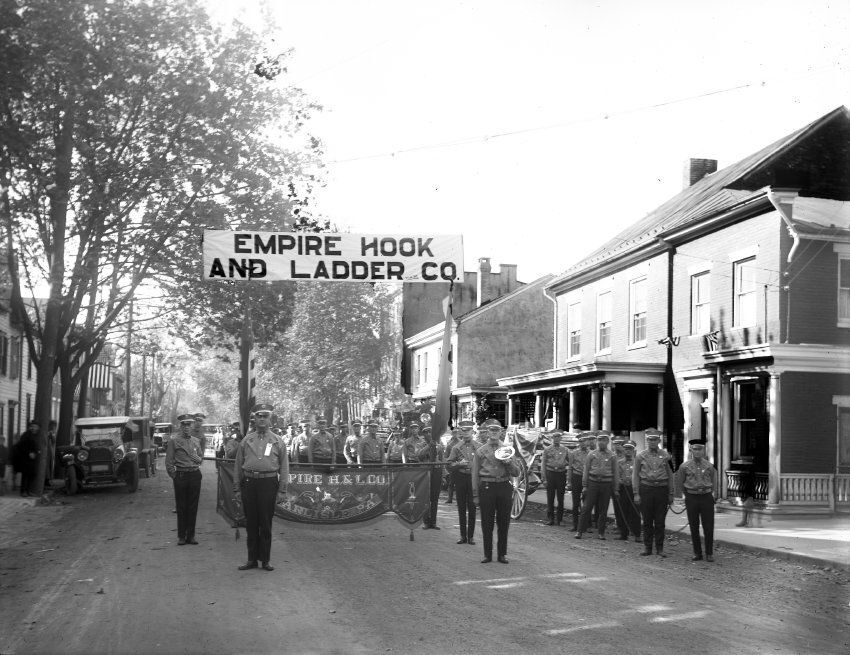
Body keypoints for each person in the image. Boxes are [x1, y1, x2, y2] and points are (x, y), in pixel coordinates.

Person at [233, 403, 289, 572]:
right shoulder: (246, 440)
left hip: (268, 484)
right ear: (254, 419)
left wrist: (282, 490)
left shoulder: (278, 441)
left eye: (265, 416)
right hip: (249, 484)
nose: (262, 419)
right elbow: (237, 465)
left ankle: (265, 560)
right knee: (251, 523)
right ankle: (251, 560)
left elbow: (284, 467)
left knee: (265, 523)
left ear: (270, 419)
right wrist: (237, 488)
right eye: (259, 416)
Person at [472, 419, 520, 564]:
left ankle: (502, 554)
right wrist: (475, 495)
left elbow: (517, 472)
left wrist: (509, 462)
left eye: (496, 430)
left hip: (504, 486)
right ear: (487, 433)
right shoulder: (480, 451)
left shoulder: (507, 450)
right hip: (487, 487)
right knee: (487, 522)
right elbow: (474, 474)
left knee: (504, 522)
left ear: (501, 432)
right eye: (491, 431)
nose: (494, 433)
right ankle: (487, 554)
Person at [675, 439, 719, 562]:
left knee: (708, 526)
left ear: (704, 450)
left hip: (706, 497)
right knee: (694, 526)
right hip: (692, 497)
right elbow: (681, 483)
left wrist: (710, 494)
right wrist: (688, 495)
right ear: (691, 450)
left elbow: (713, 483)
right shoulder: (684, 466)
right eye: (695, 449)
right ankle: (697, 553)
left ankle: (709, 553)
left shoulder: (709, 466)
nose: (697, 452)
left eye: (700, 449)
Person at [633, 429, 674, 557]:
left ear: (659, 441)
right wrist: (636, 493)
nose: (652, 442)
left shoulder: (667, 456)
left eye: (654, 439)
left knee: (660, 521)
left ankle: (660, 548)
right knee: (647, 520)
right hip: (646, 489)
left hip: (661, 490)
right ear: (647, 440)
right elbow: (635, 476)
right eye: (650, 439)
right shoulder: (640, 456)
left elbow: (670, 475)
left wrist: (671, 493)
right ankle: (647, 547)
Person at [165, 415, 204, 545]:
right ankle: (182, 536)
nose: (187, 427)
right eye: (184, 425)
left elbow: (200, 458)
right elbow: (169, 462)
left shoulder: (196, 441)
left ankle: (191, 536)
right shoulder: (174, 441)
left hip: (194, 475)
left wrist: (198, 459)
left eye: (189, 425)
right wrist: (175, 476)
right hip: (181, 475)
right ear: (181, 426)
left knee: (193, 506)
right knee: (181, 507)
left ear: (192, 426)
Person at [576, 431, 619, 540]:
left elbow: (615, 473)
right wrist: (584, 486)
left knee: (603, 510)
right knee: (586, 508)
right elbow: (586, 470)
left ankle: (601, 532)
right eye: (599, 440)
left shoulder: (612, 456)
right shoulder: (592, 454)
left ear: (607, 441)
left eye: (603, 440)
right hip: (593, 483)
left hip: (606, 484)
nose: (601, 442)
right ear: (597, 441)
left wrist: (616, 488)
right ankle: (580, 531)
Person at [446, 420, 477, 545]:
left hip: (473, 479)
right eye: (463, 431)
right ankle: (463, 536)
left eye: (468, 430)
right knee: (461, 507)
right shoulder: (456, 447)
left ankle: (471, 536)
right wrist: (458, 464)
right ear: (461, 432)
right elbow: (449, 464)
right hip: (461, 478)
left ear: (472, 431)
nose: (466, 433)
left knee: (472, 507)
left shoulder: (479, 446)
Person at [614, 442, 641, 541]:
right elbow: (616, 476)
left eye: (630, 449)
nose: (628, 451)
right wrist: (617, 488)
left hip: (634, 489)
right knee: (622, 511)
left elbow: (640, 475)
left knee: (635, 511)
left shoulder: (638, 462)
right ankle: (623, 534)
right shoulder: (619, 462)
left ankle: (637, 534)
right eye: (626, 449)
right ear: (623, 451)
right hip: (623, 489)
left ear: (633, 451)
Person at [567, 432, 595, 532]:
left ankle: (586, 525)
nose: (582, 443)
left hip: (588, 479)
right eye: (580, 441)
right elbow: (570, 468)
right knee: (575, 503)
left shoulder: (592, 453)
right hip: (576, 477)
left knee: (587, 503)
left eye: (584, 441)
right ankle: (575, 525)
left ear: (587, 442)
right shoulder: (573, 453)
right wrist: (569, 482)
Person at [541, 430, 568, 526]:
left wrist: (568, 476)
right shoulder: (547, 449)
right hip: (550, 474)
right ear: (552, 438)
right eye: (554, 437)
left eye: (558, 437)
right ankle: (551, 519)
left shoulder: (565, 449)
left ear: (561, 438)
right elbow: (543, 464)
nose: (556, 439)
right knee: (550, 497)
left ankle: (559, 519)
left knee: (561, 498)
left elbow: (570, 462)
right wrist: (544, 478)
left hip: (561, 474)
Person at [418, 426, 444, 530]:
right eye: (426, 432)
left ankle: (433, 522)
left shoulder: (439, 444)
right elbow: (419, 455)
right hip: (426, 472)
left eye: (430, 432)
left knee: (435, 498)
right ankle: (426, 522)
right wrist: (429, 446)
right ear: (424, 434)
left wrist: (444, 475)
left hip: (437, 471)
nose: (429, 434)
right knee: (425, 498)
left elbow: (442, 459)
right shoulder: (420, 444)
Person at [15, 420, 41, 497]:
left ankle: (28, 490)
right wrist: (28, 453)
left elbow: (36, 446)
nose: (35, 428)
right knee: (25, 475)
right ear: (31, 427)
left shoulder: (36, 435)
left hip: (33, 459)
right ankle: (23, 491)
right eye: (33, 426)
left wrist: (36, 452)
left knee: (32, 475)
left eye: (36, 427)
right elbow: (20, 446)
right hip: (25, 459)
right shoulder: (26, 435)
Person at [442, 428, 460, 504]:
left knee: (459, 484)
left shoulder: (462, 443)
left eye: (457, 433)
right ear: (452, 434)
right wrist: (448, 466)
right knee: (451, 483)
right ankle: (450, 498)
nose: (456, 434)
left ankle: (459, 500)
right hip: (452, 466)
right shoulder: (450, 444)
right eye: (454, 433)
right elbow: (446, 456)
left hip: (460, 465)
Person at [45, 420, 57, 488]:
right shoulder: (47, 432)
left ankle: (48, 479)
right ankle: (46, 480)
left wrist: (52, 434)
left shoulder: (52, 432)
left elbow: (54, 441)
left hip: (50, 450)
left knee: (49, 465)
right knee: (47, 466)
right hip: (46, 450)